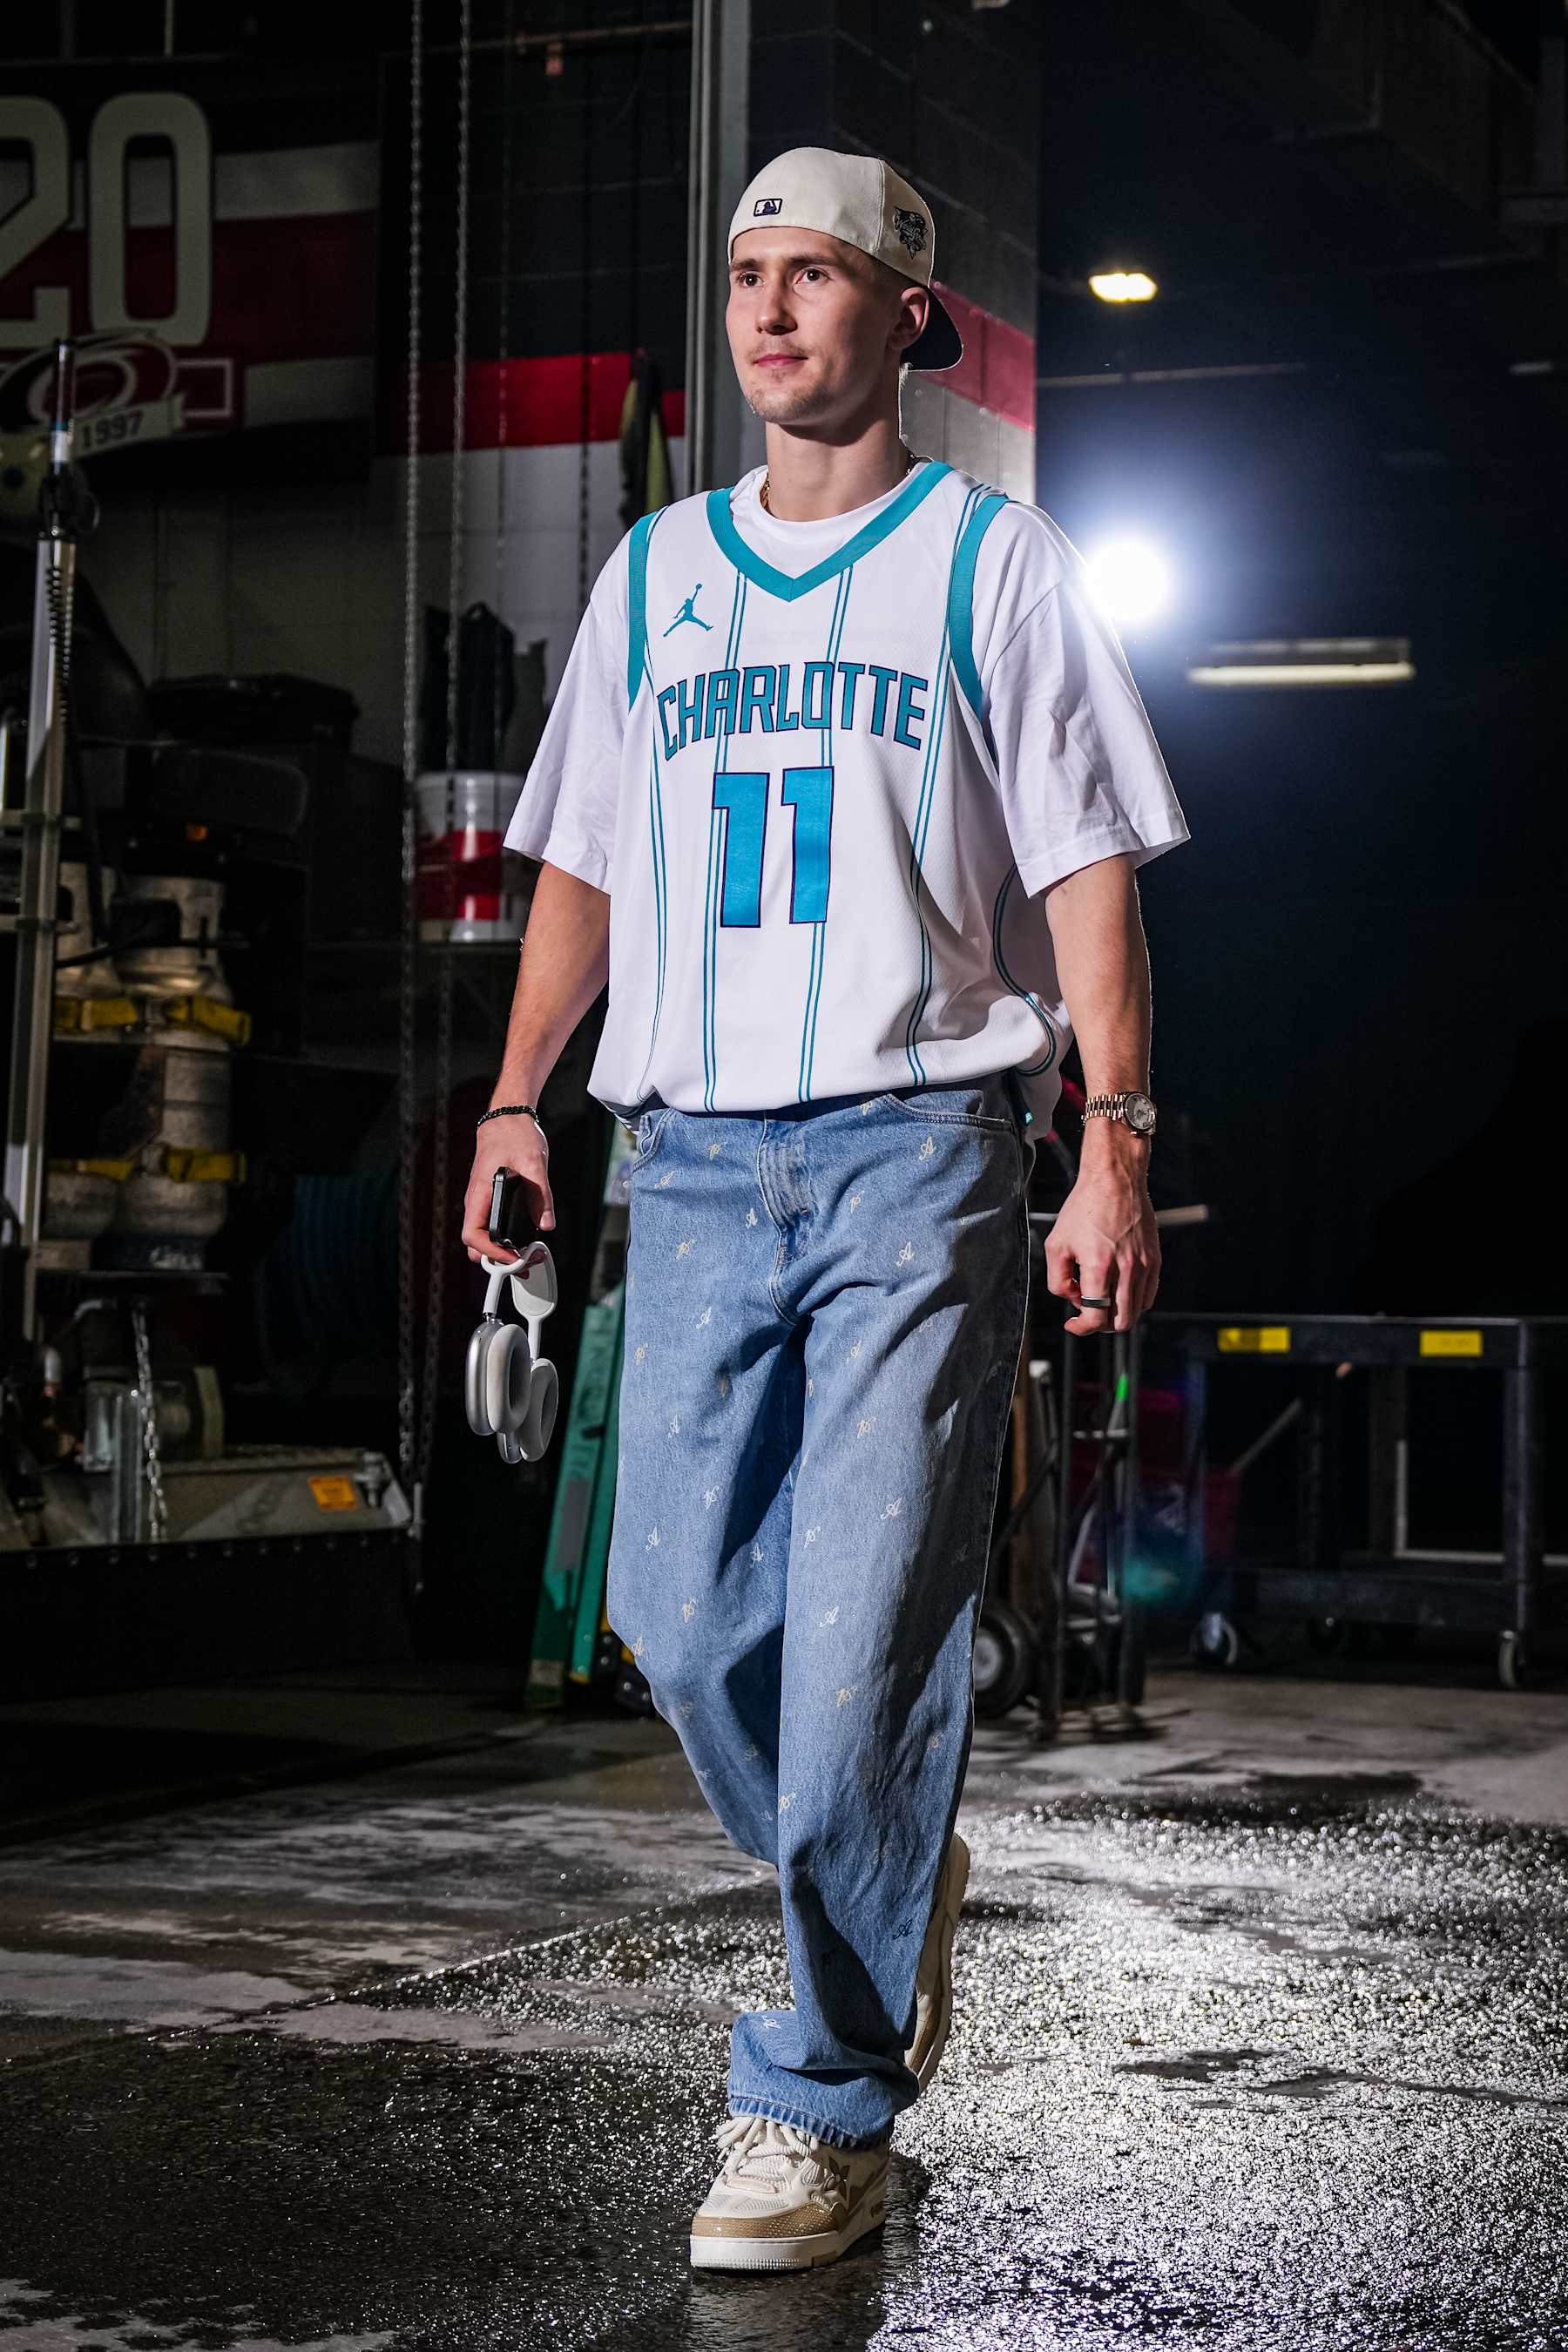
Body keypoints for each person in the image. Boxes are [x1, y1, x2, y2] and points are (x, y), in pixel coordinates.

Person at [461, 146, 1189, 2274]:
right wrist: (516, 1097)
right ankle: (882, 1856)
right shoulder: (658, 576)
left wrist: (1115, 1135)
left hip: (917, 1154)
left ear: (907, 321)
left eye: (818, 277)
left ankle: (817, 2103)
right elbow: (583, 857)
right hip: (685, 1156)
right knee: (678, 1623)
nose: (771, 312)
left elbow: (1086, 875)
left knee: (869, 1628)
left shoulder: (994, 562)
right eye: (747, 274)